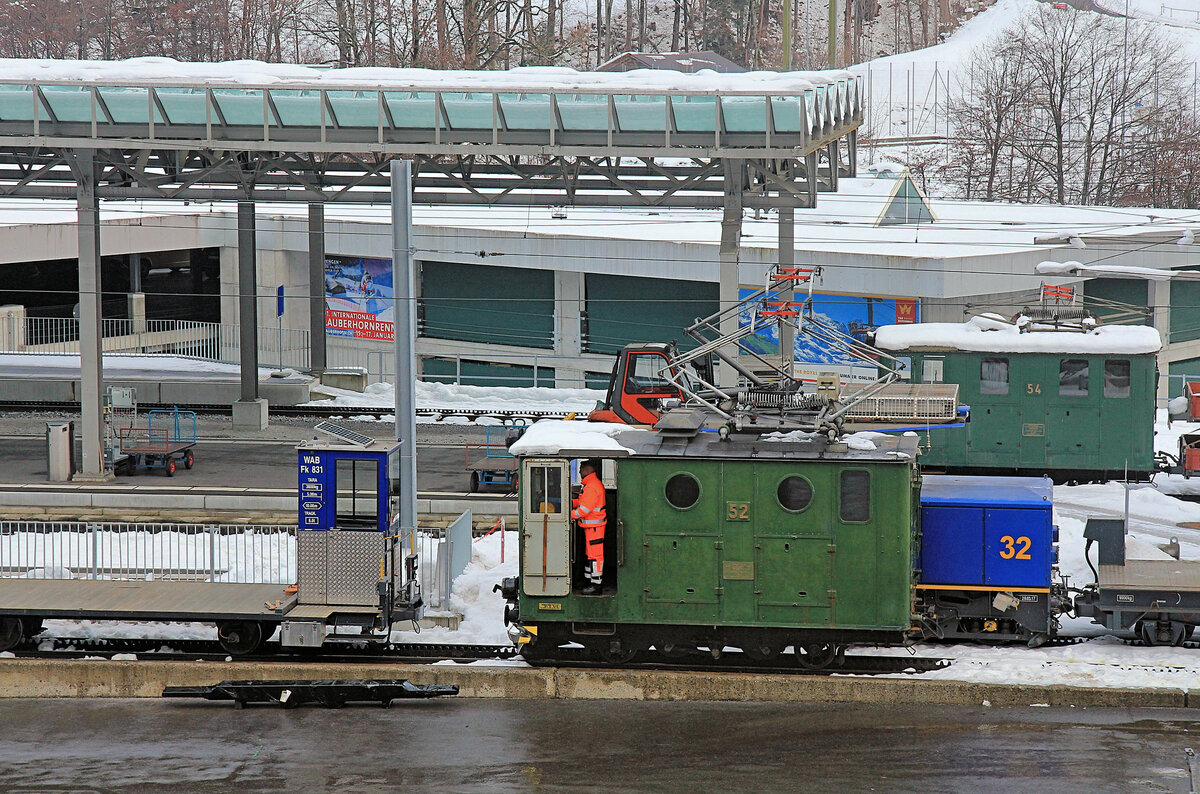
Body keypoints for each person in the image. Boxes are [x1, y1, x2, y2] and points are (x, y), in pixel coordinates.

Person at [570, 460, 607, 595]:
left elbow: (584, 510)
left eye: (581, 468)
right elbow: (583, 502)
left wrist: (569, 514)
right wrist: (570, 502)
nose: (579, 471)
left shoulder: (591, 486)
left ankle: (596, 586)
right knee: (589, 556)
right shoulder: (591, 485)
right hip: (592, 527)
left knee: (595, 557)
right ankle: (588, 581)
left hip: (594, 527)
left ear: (588, 469)